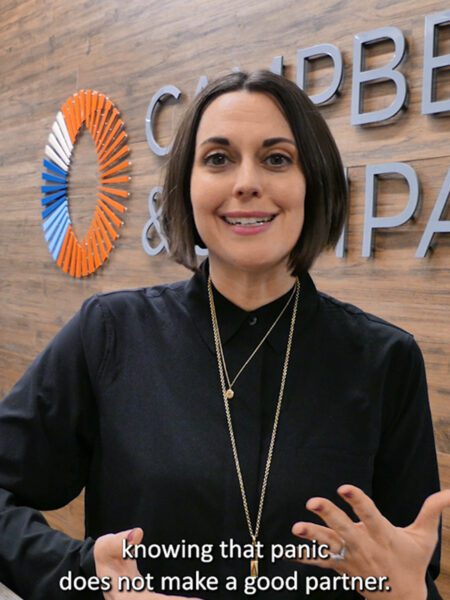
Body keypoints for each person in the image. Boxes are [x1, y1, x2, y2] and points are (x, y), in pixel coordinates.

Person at [0, 70, 448, 600]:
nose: (246, 182)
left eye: (277, 158)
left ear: (315, 181)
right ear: (187, 188)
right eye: (218, 158)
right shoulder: (111, 333)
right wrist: (83, 577)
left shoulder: (384, 359)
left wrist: (409, 594)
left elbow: (405, 566)